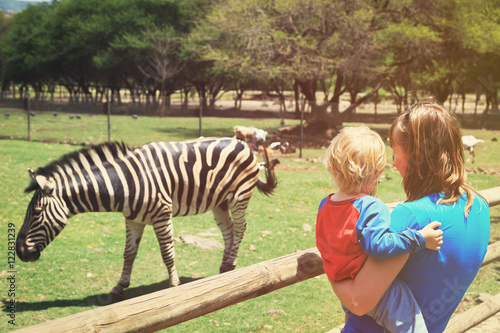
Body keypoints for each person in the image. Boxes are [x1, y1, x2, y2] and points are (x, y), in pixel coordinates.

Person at [329, 102, 491, 333]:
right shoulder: (478, 208)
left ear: (417, 155)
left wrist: (332, 272)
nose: (394, 163)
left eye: (396, 151)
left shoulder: (412, 216)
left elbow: (358, 301)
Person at [316, 126, 443, 333]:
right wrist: (420, 238)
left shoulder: (325, 204)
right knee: (415, 327)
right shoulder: (371, 206)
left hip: (344, 284)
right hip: (377, 295)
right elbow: (378, 245)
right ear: (377, 173)